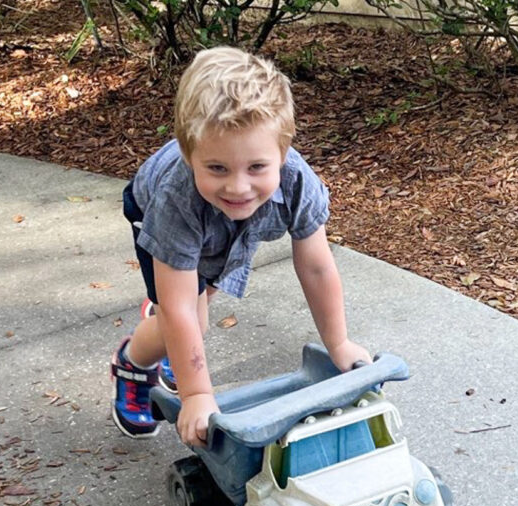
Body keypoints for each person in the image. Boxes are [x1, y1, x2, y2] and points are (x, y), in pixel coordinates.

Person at [111, 46, 372, 447]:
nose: (237, 186)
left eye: (256, 167)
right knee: (186, 317)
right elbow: (180, 305)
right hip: (159, 219)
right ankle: (132, 362)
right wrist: (198, 395)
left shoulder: (296, 180)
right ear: (188, 154)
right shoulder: (175, 198)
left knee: (198, 296)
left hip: (219, 232)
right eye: (217, 167)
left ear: (282, 154)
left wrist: (337, 343)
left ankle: (168, 325)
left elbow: (317, 267)